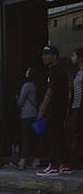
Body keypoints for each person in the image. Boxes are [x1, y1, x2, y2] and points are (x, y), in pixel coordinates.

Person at [36, 45, 69, 176]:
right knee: (59, 136)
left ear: (54, 56)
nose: (43, 57)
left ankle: (54, 165)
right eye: (43, 54)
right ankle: (66, 163)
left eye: (46, 54)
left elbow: (50, 92)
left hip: (55, 110)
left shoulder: (56, 71)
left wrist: (42, 109)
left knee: (53, 137)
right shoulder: (55, 70)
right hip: (58, 110)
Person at [9, 64, 43, 170]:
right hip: (36, 114)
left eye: (28, 70)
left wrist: (16, 99)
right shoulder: (37, 85)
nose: (26, 71)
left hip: (27, 115)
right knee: (36, 137)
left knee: (26, 137)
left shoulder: (27, 85)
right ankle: (37, 159)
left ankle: (22, 160)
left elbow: (20, 102)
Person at [63, 47, 83, 173]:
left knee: (69, 131)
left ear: (80, 58)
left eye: (74, 55)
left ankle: (71, 160)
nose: (72, 57)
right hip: (76, 107)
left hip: (79, 108)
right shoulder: (78, 72)